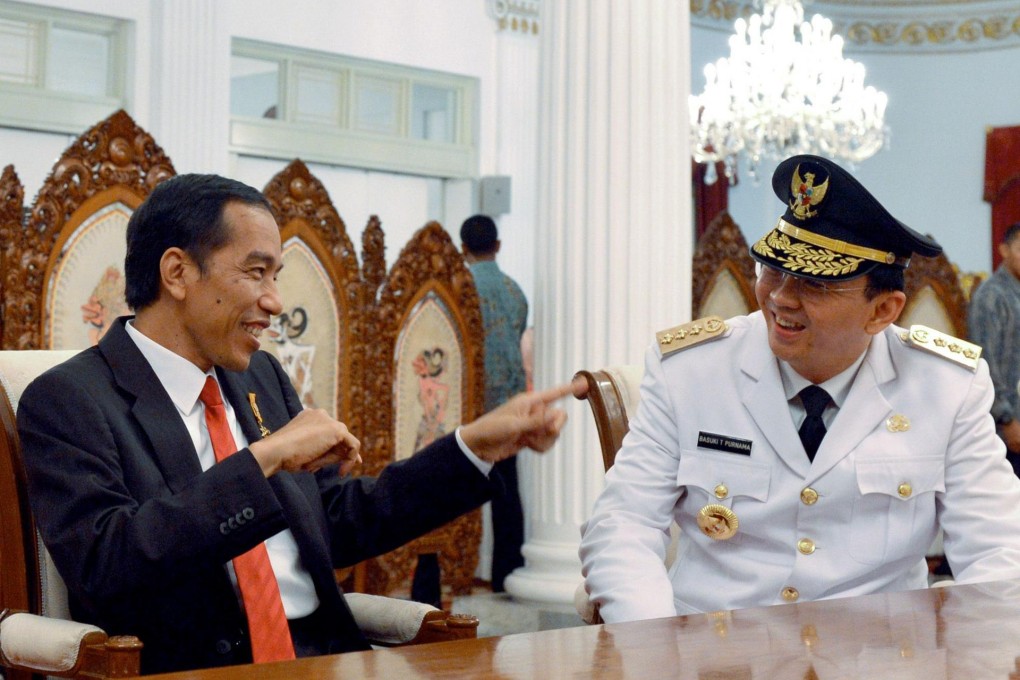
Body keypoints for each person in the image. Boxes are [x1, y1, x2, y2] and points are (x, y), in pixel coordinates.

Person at [17, 174, 573, 675]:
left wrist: (473, 447)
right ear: (178, 272)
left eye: (276, 276)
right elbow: (108, 563)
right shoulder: (69, 399)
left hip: (325, 654)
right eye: (256, 272)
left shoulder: (259, 377)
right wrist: (263, 460)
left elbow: (337, 520)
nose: (275, 301)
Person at [579, 154, 1020, 624]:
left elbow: (998, 549)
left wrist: (973, 651)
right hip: (715, 646)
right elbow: (623, 524)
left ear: (883, 311)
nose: (780, 298)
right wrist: (654, 645)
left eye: (815, 284)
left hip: (878, 649)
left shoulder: (946, 387)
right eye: (772, 269)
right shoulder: (691, 371)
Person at [460, 214, 529, 592]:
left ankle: (459, 572)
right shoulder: (515, 292)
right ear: (498, 246)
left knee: (458, 487)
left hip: (469, 408)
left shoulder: (460, 287)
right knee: (507, 491)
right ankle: (506, 573)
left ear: (463, 248)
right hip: (510, 407)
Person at [967, 222, 1020, 476]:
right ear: (1004, 250)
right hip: (1007, 426)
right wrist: (1006, 420)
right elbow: (984, 362)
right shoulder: (991, 296)